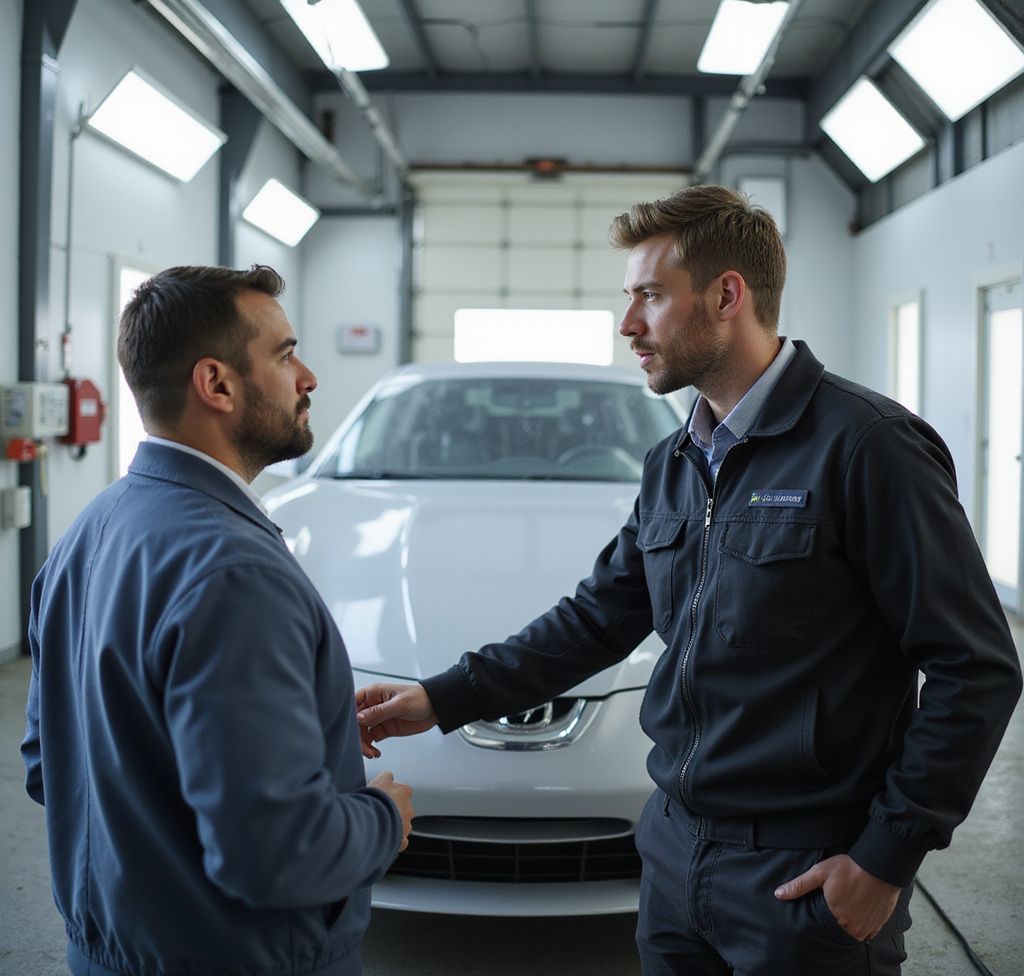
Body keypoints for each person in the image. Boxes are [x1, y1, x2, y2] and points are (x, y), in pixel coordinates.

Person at [354, 186, 1022, 975]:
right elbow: (597, 618)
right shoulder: (673, 463)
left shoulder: (866, 447)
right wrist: (441, 698)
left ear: (727, 295)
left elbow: (973, 667)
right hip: (672, 852)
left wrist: (884, 858)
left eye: (648, 296)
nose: (627, 324)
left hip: (802, 871)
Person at [21, 264, 413, 976]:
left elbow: (52, 764)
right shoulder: (235, 575)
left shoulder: (92, 529)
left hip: (115, 948)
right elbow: (275, 856)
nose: (310, 377)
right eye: (286, 353)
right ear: (218, 384)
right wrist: (384, 818)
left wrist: (299, 728)